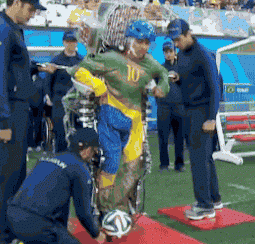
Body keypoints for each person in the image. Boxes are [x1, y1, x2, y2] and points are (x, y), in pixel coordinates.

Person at [57, 19, 169, 221]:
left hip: (134, 122)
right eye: (140, 41)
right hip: (110, 118)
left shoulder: (149, 62)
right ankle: (105, 209)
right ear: (130, 40)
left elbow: (163, 73)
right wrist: (97, 85)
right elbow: (78, 69)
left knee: (135, 165)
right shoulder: (112, 59)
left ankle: (123, 207)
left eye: (147, 42)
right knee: (112, 162)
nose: (144, 46)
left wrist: (162, 87)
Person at [0, 0, 49, 244]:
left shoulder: (11, 29)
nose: (33, 14)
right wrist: (2, 122)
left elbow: (13, 69)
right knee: (6, 177)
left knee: (18, 174)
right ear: (17, 2)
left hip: (17, 111)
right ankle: (5, 237)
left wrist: (36, 67)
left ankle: (14, 229)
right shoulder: (0, 30)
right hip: (8, 112)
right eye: (31, 8)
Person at [5, 128, 107, 244]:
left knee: (52, 239)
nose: (94, 155)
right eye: (93, 150)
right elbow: (83, 213)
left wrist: (62, 229)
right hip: (36, 224)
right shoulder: (80, 169)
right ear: (85, 149)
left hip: (13, 216)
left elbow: (55, 198)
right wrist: (97, 234)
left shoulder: (48, 158)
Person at [166, 19, 223, 220]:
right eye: (174, 40)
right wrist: (178, 79)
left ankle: (204, 206)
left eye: (179, 39)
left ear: (189, 33)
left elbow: (215, 86)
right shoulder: (182, 54)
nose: (176, 44)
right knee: (205, 157)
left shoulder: (203, 54)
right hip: (189, 110)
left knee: (198, 159)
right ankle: (214, 199)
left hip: (202, 112)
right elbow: (188, 78)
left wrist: (211, 117)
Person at [46, 30, 84, 153]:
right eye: (68, 41)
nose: (71, 44)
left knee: (78, 133)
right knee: (60, 132)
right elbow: (48, 81)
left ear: (77, 42)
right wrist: (49, 97)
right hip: (59, 102)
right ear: (63, 42)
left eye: (73, 41)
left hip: (77, 101)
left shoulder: (82, 61)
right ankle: (60, 161)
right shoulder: (56, 60)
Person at [157, 39, 185, 172]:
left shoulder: (182, 68)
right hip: (164, 108)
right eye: (166, 52)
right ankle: (164, 164)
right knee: (163, 137)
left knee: (179, 137)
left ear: (175, 52)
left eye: (170, 51)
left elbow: (189, 86)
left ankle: (180, 164)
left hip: (179, 107)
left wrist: (180, 79)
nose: (168, 54)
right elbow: (155, 87)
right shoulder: (161, 69)